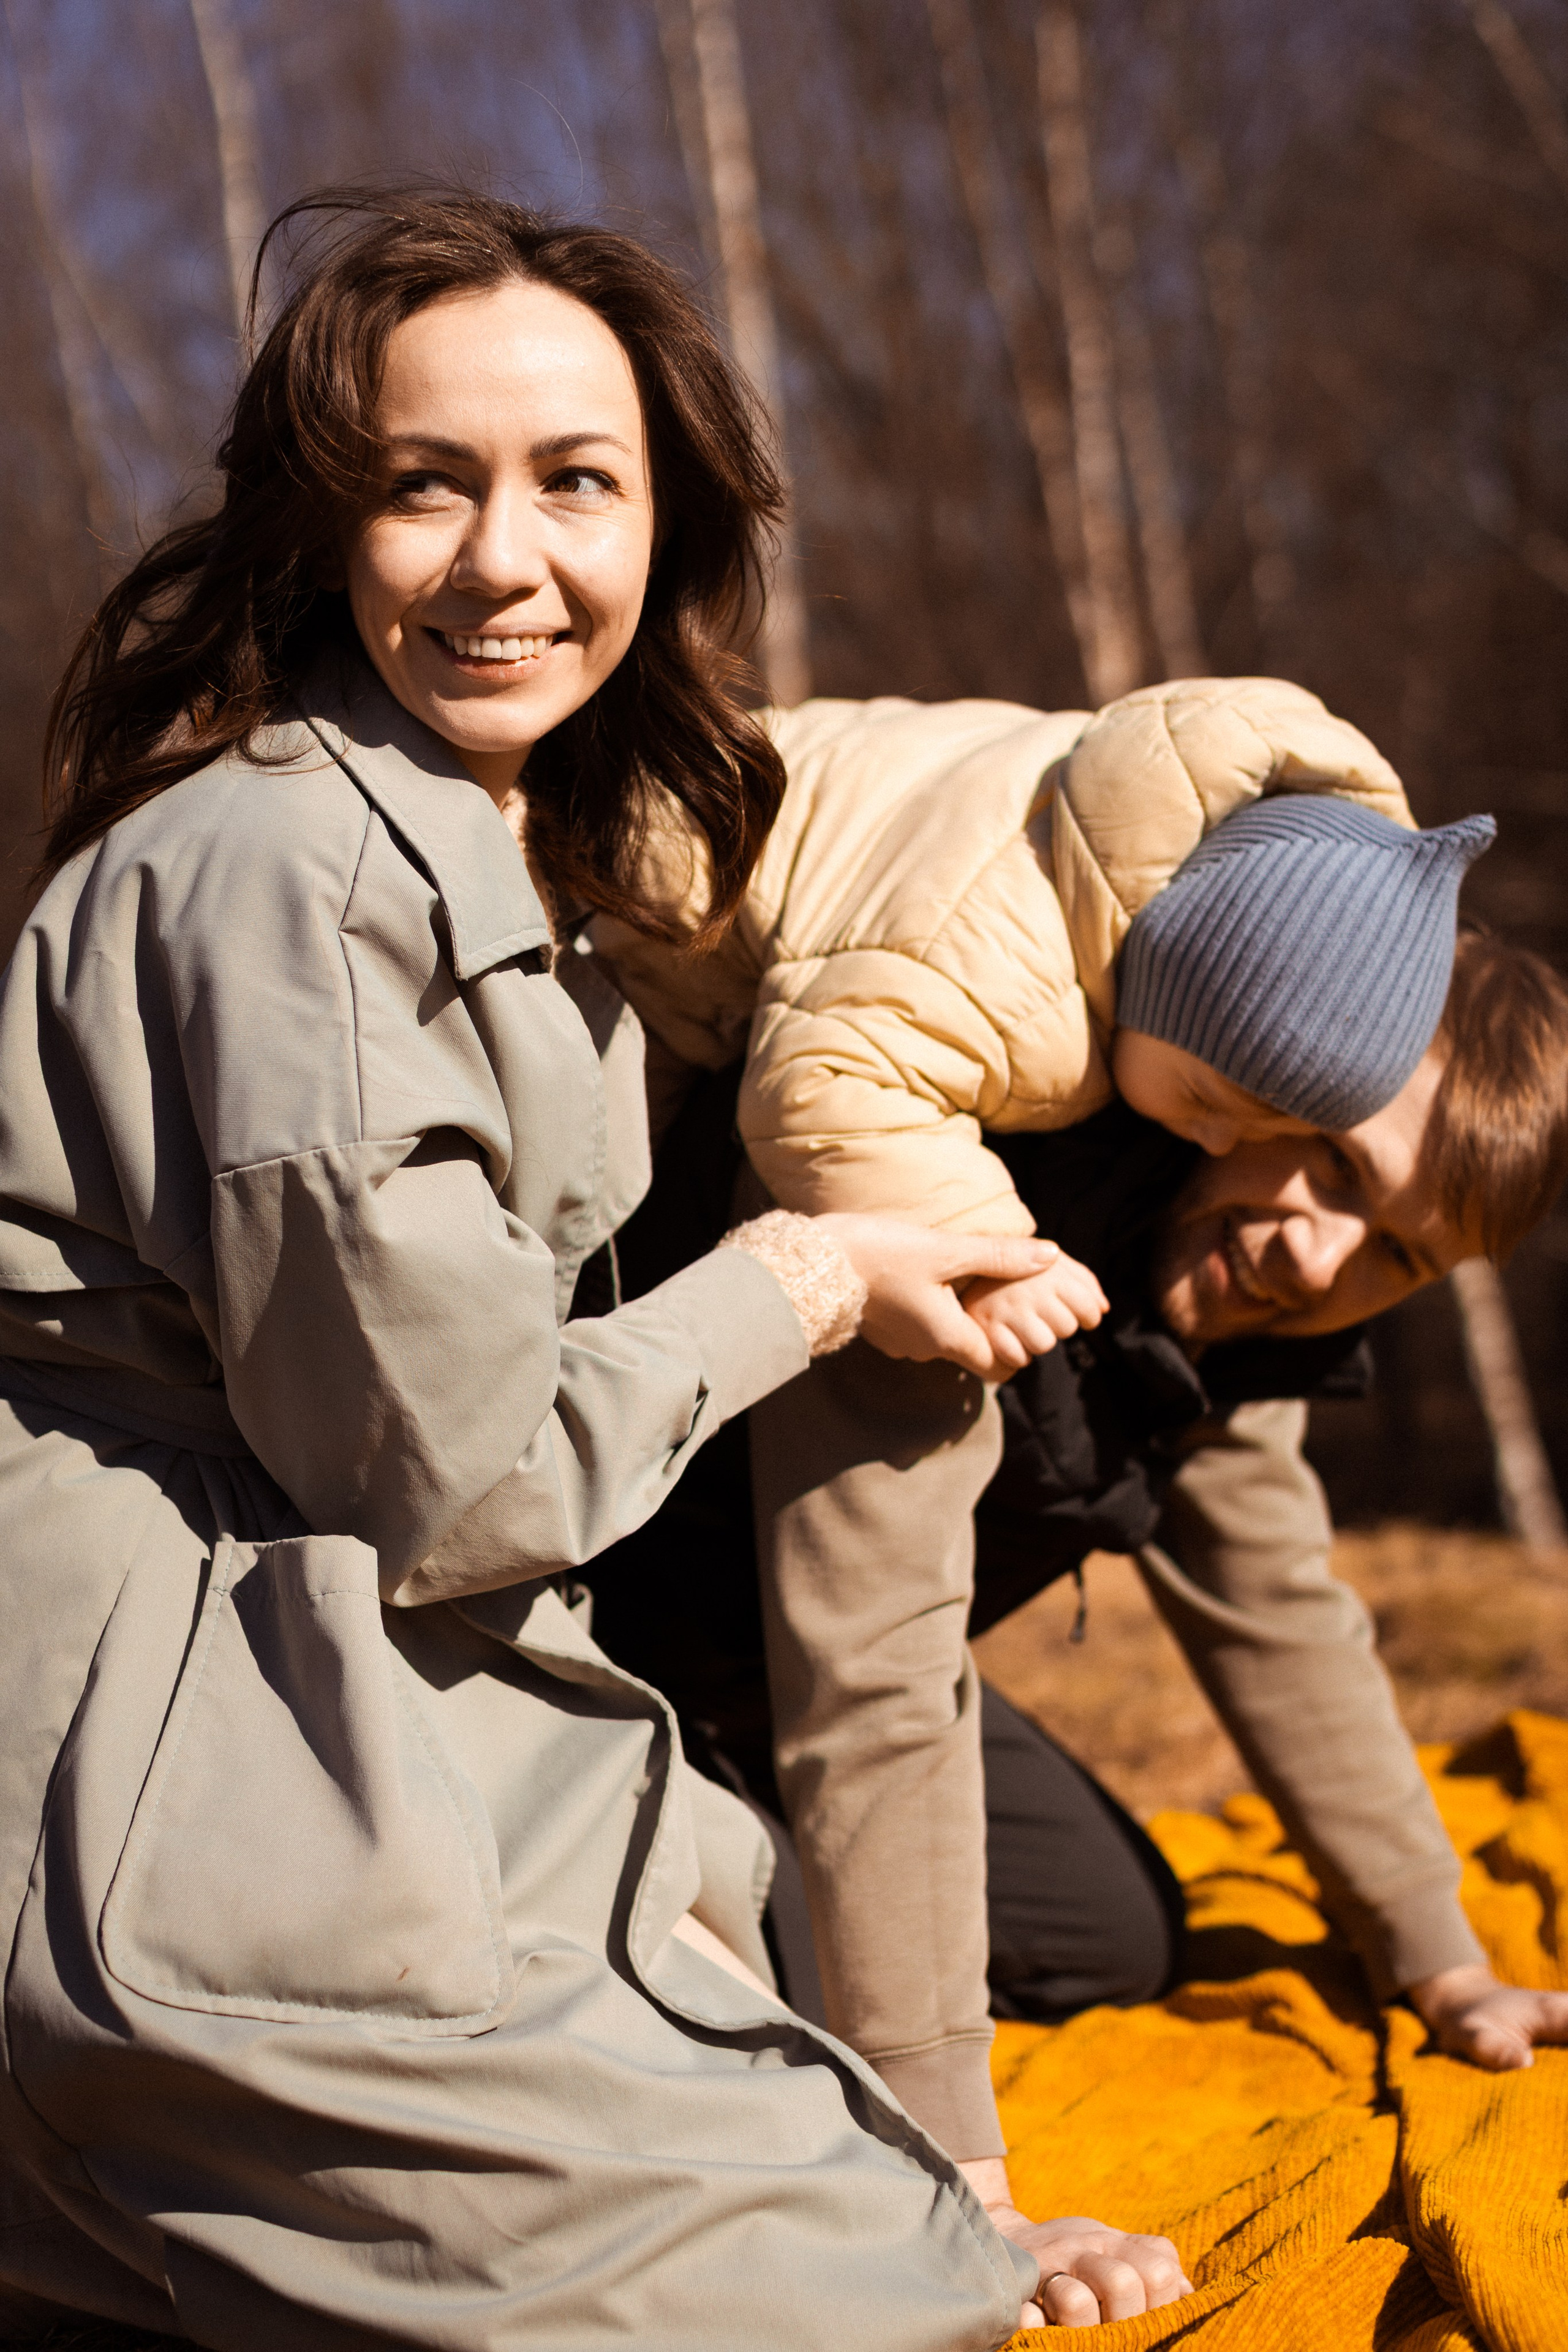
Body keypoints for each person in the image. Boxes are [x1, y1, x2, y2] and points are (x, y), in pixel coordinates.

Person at [0, 189, 1193, 2346]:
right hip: (145, 1742)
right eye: (419, 485)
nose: (503, 560)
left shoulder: (481, 850)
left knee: (822, 2144)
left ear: (669, 524)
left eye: (576, 481)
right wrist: (815, 1274)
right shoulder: (300, 882)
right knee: (823, 2299)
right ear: (316, 530)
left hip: (323, 1657)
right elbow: (462, 1487)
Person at [586, 682, 1568, 2174]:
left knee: (1108, 1935)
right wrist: (958, 2162)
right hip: (601, 1633)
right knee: (803, 1980)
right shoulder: (949, 1179)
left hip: (758, 1708)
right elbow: (876, 1656)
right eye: (1337, 1175)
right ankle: (617, 1908)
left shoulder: (1239, 1305)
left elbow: (1275, 1608)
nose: (1321, 1258)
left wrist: (1437, 1962)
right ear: (1267, 1079)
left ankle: (717, 1901)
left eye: (1396, 1257)